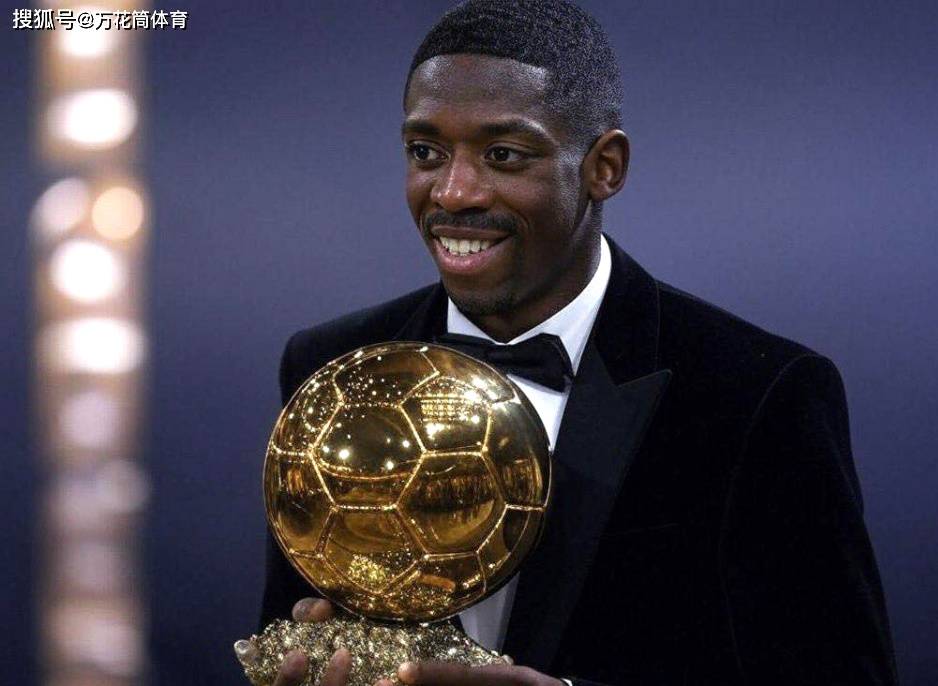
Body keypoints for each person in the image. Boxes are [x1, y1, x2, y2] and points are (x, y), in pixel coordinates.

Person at [254, 1, 899, 684]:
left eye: (503, 155)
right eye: (426, 153)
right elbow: (290, 632)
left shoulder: (759, 392)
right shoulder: (332, 366)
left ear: (604, 168)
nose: (453, 191)